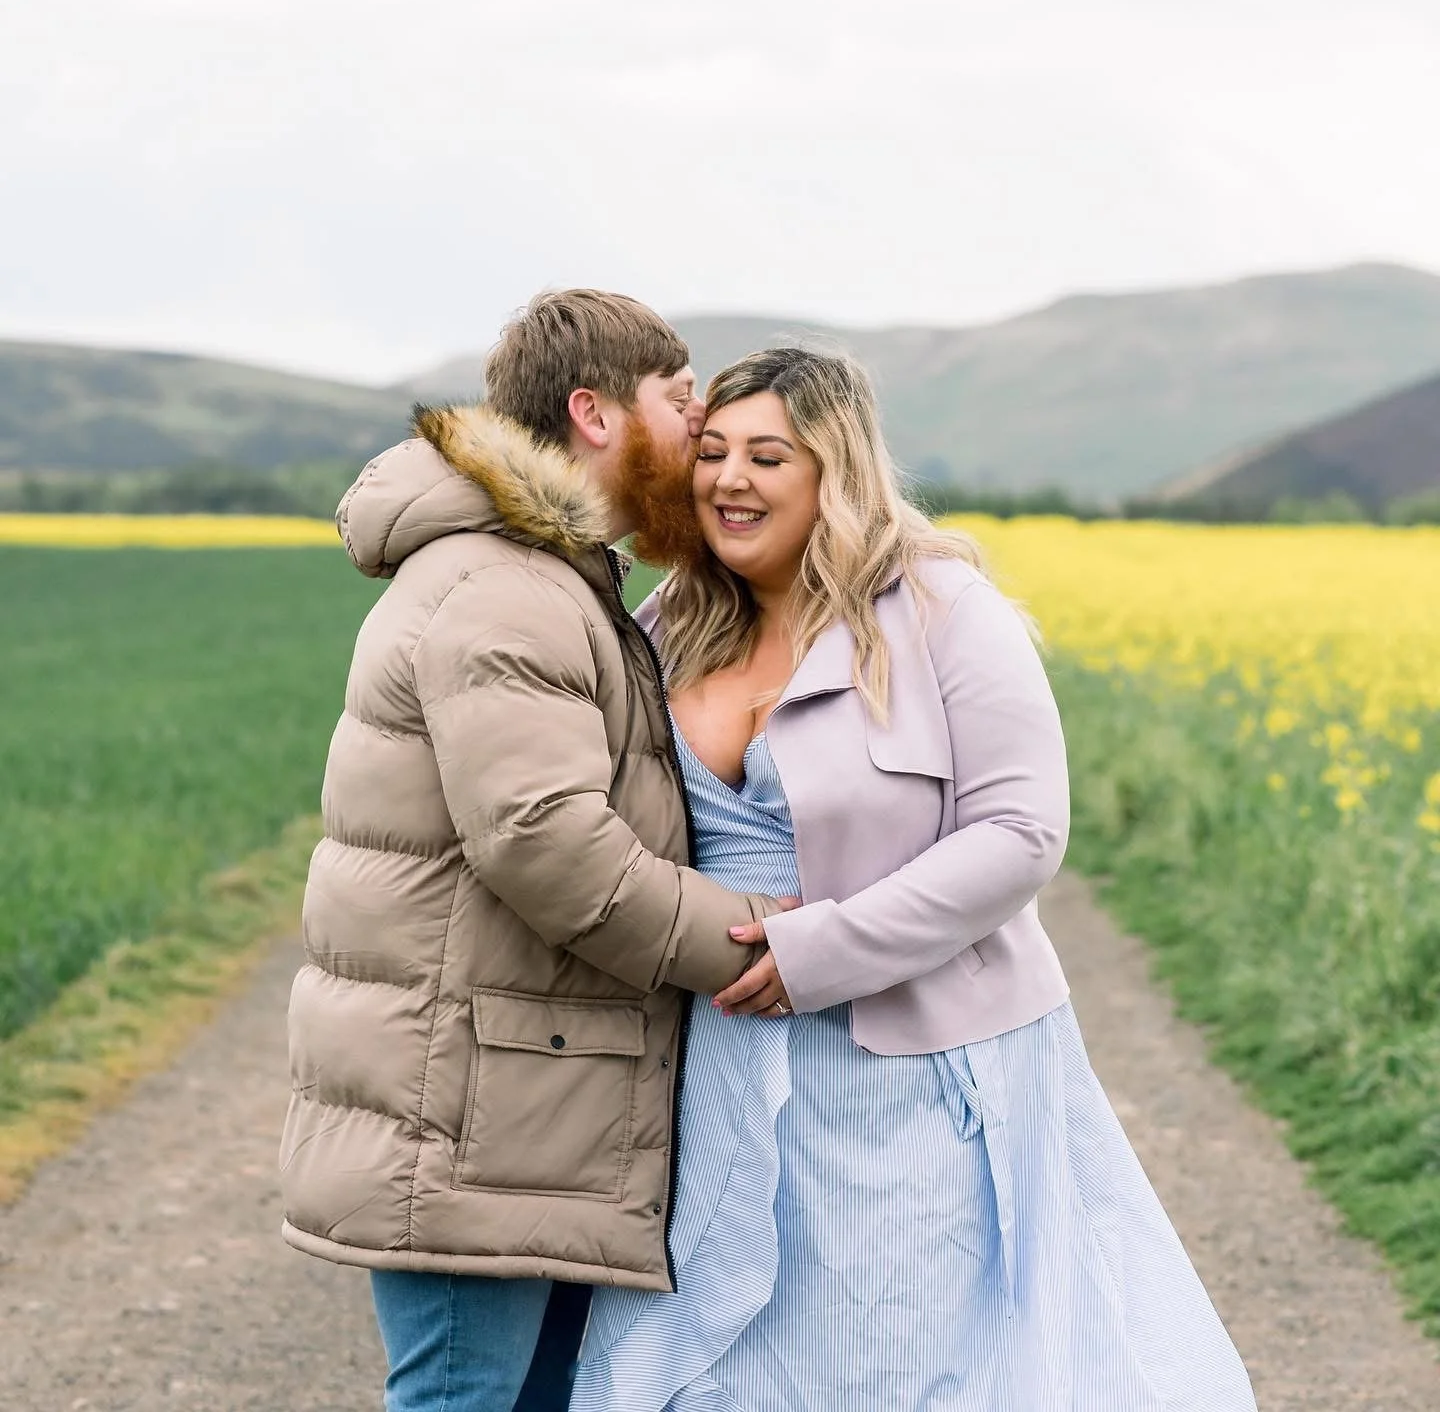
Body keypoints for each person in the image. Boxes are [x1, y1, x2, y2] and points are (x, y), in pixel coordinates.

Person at [571, 346, 1258, 1412]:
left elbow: (1022, 831)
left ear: (832, 472)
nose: (728, 480)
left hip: (914, 1061)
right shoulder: (669, 624)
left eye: (767, 456)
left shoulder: (940, 608)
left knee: (900, 1347)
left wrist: (822, 953)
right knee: (724, 1345)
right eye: (711, 453)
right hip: (718, 1060)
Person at [279, 291, 786, 1412]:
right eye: (678, 394)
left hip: (517, 1093)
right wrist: (768, 939)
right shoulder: (509, 588)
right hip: (472, 1104)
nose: (698, 424)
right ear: (595, 414)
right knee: (466, 1398)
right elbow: (544, 840)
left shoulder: (545, 576)